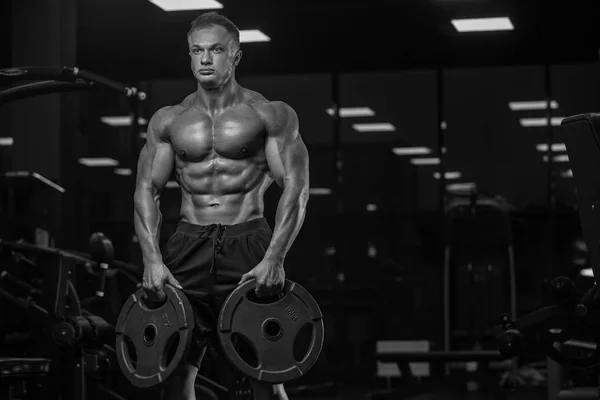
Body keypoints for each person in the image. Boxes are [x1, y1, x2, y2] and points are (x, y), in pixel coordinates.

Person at [132, 11, 310, 400]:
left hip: (248, 242)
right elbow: (147, 189)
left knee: (265, 370)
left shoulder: (269, 114)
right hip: (186, 244)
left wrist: (275, 258)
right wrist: (152, 259)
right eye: (197, 50)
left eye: (216, 50)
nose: (206, 59)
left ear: (236, 56)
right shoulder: (169, 121)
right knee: (175, 370)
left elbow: (295, 188)